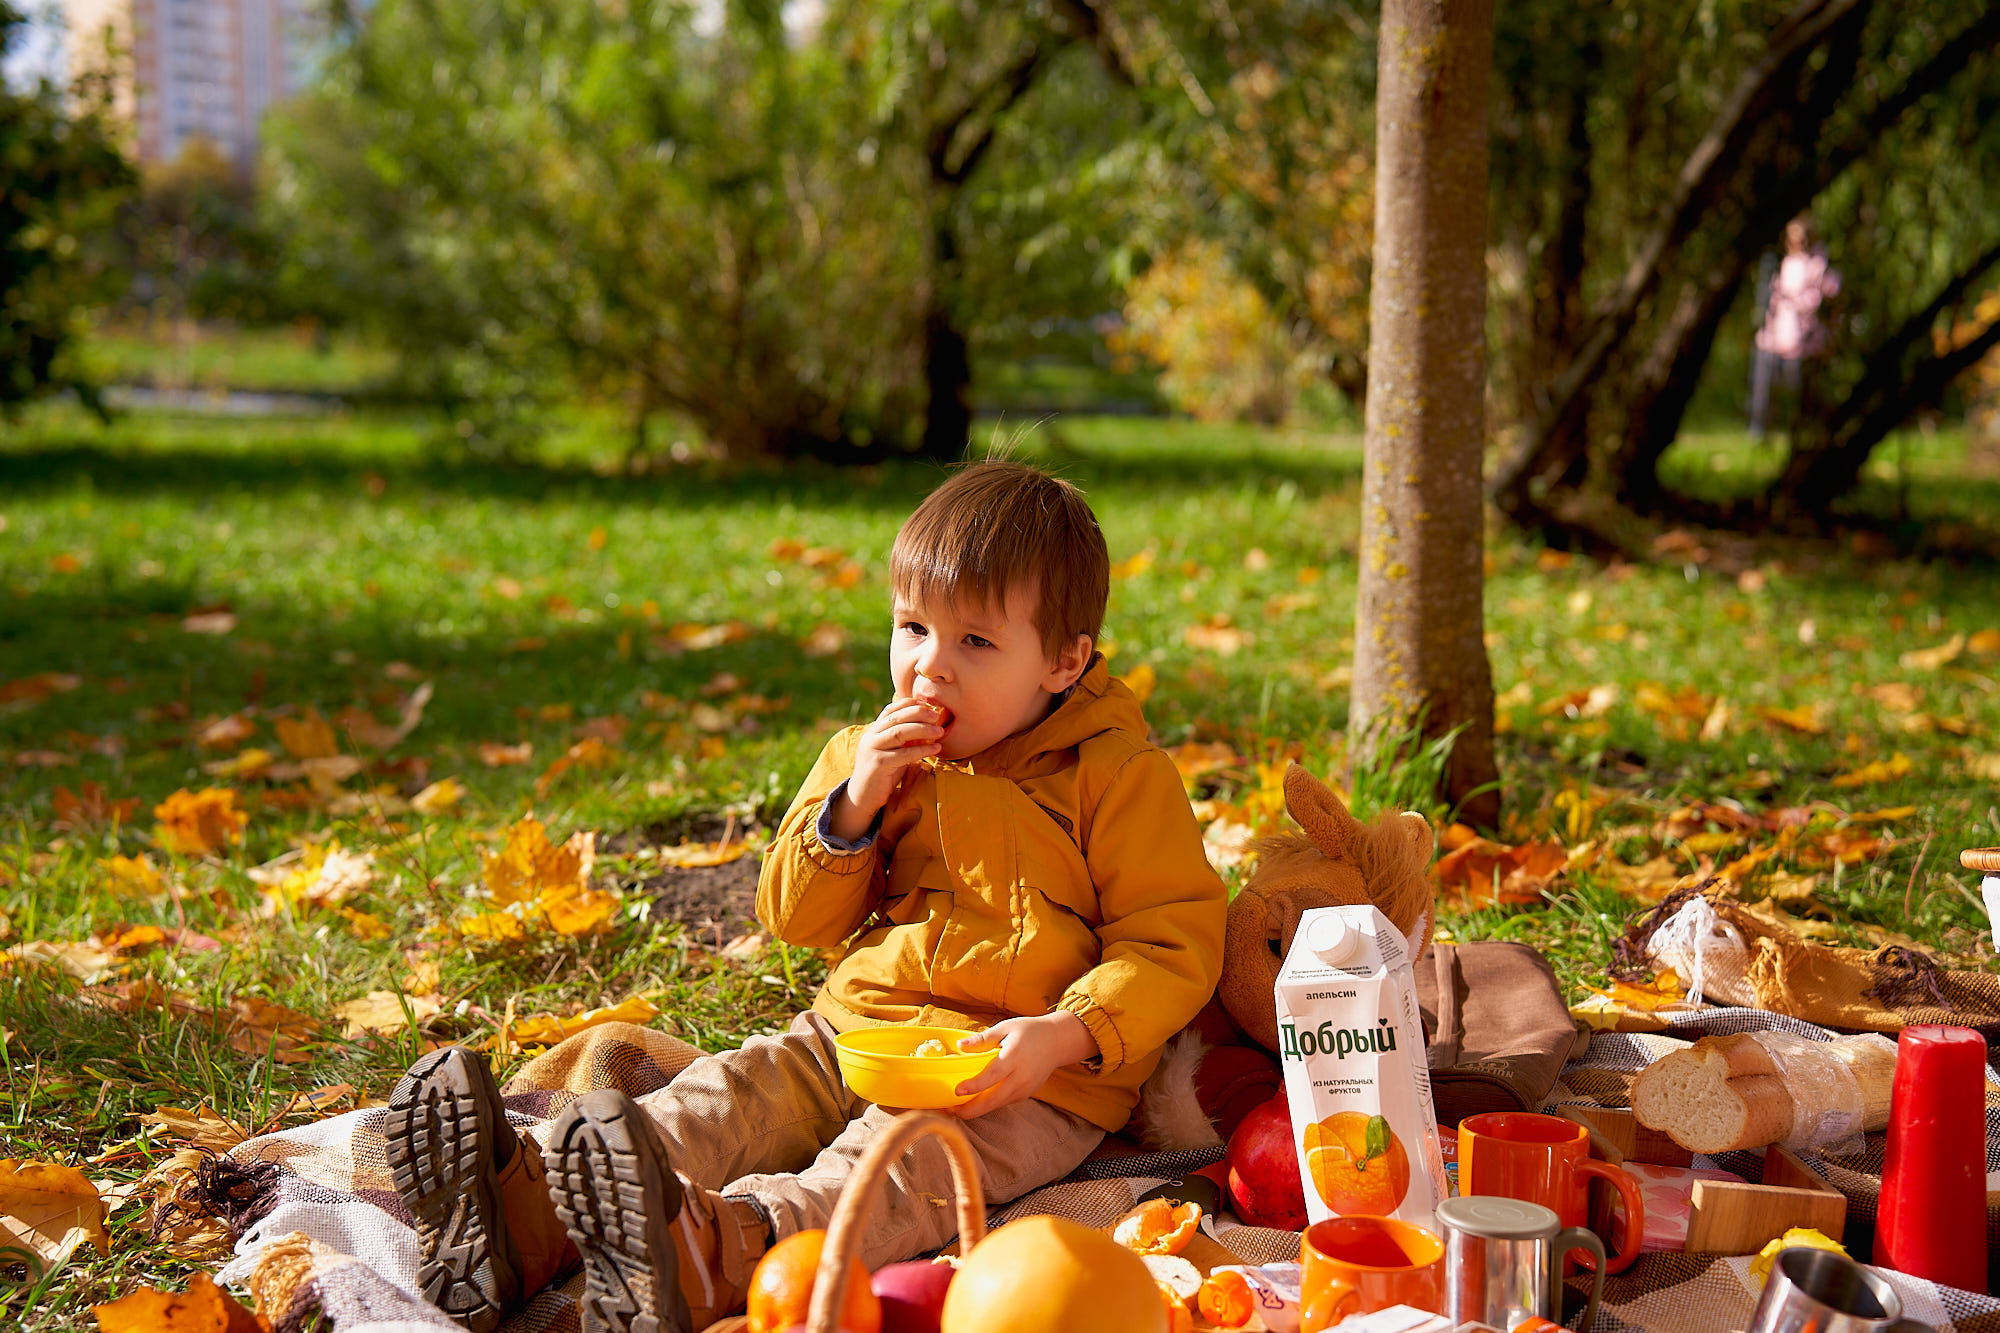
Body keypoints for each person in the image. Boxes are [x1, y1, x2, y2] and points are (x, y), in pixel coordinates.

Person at [383, 460, 1229, 1333]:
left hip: (1017, 1079)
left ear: (1063, 660)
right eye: (911, 629)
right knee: (736, 1094)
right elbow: (793, 918)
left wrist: (1065, 1035)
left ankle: (724, 1250)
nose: (927, 668)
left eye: (975, 643)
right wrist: (855, 807)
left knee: (893, 1172)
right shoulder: (871, 757)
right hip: (858, 1031)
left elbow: (1174, 940)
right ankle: (534, 1213)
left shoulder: (1116, 775)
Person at [1749, 216, 1841, 439]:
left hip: (1801, 336)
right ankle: (1758, 428)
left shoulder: (1816, 262)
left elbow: (1831, 291)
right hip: (1776, 332)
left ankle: (1798, 427)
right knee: (1764, 380)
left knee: (1796, 384)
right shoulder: (1778, 262)